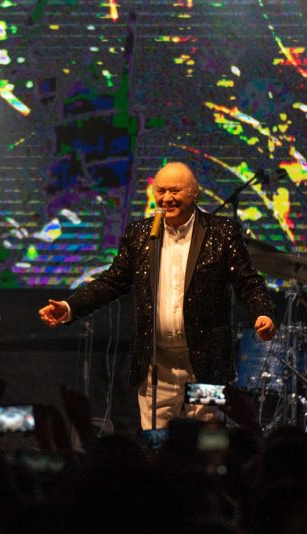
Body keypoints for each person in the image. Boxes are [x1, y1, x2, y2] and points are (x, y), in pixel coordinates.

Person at [38, 162, 276, 429]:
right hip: (157, 365)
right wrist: (70, 306)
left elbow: (247, 280)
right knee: (156, 437)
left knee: (207, 435)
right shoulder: (141, 234)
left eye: (175, 191)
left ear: (194, 193)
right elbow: (112, 281)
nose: (166, 198)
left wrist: (262, 312)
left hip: (205, 363)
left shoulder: (221, 232)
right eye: (161, 191)